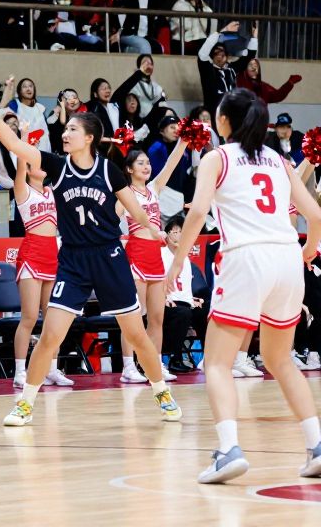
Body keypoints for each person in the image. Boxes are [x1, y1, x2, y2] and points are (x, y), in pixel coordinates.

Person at [0, 104, 182, 427]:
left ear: (89, 138)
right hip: (72, 259)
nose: (65, 134)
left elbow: (134, 209)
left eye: (72, 129)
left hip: (108, 256)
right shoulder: (56, 166)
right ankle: (25, 403)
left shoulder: (109, 171)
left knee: (137, 335)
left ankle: (162, 393)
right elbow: (14, 145)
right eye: (65, 129)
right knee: (50, 335)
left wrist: (153, 228)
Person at [166, 88, 321, 483]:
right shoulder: (280, 161)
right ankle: (317, 445)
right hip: (287, 257)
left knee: (217, 361)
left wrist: (178, 262)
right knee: (280, 359)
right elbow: (315, 214)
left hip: (246, 257)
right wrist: (308, 251)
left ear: (223, 122)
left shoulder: (216, 158)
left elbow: (198, 211)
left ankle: (228, 450)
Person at [116, 139, 190, 384]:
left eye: (148, 162)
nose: (146, 166)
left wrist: (184, 140)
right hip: (136, 253)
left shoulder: (155, 188)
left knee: (157, 317)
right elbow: (107, 223)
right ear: (129, 169)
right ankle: (128, 366)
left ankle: (154, 364)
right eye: (140, 163)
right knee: (134, 316)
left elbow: (171, 163)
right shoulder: (124, 195)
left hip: (155, 256)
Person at [11, 157, 72, 389]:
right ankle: (20, 371)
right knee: (28, 318)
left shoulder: (52, 191)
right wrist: (23, 144)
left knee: (52, 319)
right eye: (35, 162)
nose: (42, 165)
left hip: (51, 256)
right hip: (31, 254)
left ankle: (52, 369)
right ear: (27, 169)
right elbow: (18, 171)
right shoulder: (23, 190)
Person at [160, 215, 203, 375]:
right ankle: (173, 357)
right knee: (182, 313)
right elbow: (156, 282)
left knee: (204, 311)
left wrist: (192, 299)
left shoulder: (184, 258)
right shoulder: (160, 253)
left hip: (182, 301)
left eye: (182, 232)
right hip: (165, 301)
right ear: (167, 235)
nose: (179, 236)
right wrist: (163, 298)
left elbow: (185, 286)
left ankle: (209, 358)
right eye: (175, 232)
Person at [197, 24, 258, 115]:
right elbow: (202, 54)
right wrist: (222, 31)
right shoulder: (208, 70)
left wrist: (254, 38)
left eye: (222, 54)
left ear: (227, 56)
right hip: (214, 115)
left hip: (232, 115)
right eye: (216, 54)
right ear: (211, 56)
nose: (219, 57)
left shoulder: (232, 68)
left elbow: (249, 58)